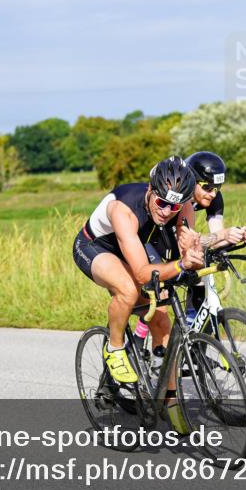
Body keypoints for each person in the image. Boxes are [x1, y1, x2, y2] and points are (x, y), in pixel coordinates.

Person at [73, 156, 204, 392]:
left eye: (174, 207)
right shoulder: (124, 209)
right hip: (96, 247)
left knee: (161, 316)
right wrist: (181, 265)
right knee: (128, 289)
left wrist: (192, 249)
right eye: (162, 203)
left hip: (135, 248)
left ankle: (165, 389)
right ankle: (114, 349)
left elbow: (186, 246)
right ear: (151, 189)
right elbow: (143, 274)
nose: (166, 212)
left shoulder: (179, 204)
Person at [184, 151, 246, 317]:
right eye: (207, 188)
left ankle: (190, 330)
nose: (213, 194)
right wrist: (223, 235)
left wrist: (240, 234)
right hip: (155, 241)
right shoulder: (179, 199)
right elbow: (186, 243)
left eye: (217, 188)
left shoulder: (213, 197)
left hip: (183, 243)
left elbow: (216, 238)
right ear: (191, 182)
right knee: (162, 295)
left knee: (199, 271)